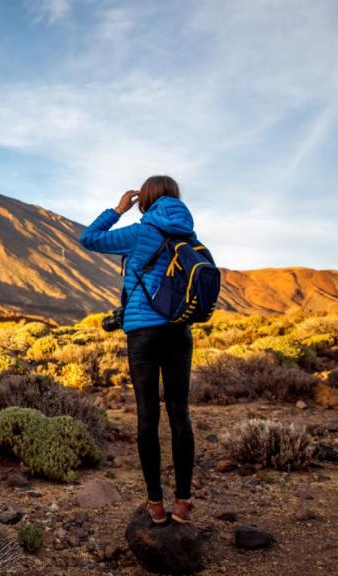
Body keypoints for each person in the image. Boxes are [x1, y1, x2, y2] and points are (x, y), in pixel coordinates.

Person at [78, 175, 198, 525]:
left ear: (144, 199)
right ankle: (184, 504)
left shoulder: (142, 232)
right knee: (180, 412)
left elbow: (90, 239)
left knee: (148, 415)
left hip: (143, 333)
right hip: (179, 332)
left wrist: (117, 210)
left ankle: (156, 506)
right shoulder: (188, 234)